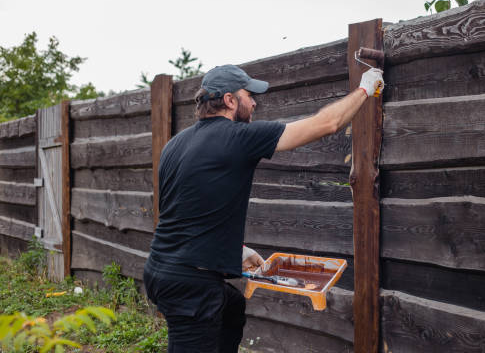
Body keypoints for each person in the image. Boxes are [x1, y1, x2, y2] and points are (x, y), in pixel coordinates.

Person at [143, 64, 384, 353]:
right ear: (231, 101)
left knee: (231, 309)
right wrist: (365, 89)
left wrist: (237, 250)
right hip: (191, 284)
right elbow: (327, 124)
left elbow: (186, 210)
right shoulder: (238, 137)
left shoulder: (175, 144)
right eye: (249, 95)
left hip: (159, 269)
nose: (255, 102)